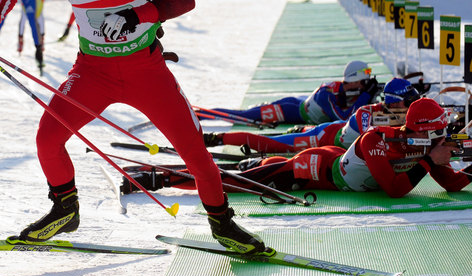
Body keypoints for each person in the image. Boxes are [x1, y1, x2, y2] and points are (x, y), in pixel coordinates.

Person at [0, 0, 272, 256]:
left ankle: (222, 223)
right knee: (47, 140)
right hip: (92, 72)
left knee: (195, 154)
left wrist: (136, 15)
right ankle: (65, 209)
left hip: (146, 71)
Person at [124, 98, 472, 198]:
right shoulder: (376, 140)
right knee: (235, 180)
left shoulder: (429, 146)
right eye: (440, 131)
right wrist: (428, 161)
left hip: (336, 161)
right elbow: (395, 190)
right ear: (422, 131)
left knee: (249, 169)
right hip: (314, 168)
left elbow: (453, 184)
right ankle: (154, 178)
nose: (446, 137)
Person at [202, 77, 419, 154]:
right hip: (321, 134)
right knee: (269, 143)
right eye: (409, 101)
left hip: (326, 127)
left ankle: (299, 129)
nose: (411, 106)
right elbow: (347, 116)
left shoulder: (387, 111)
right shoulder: (365, 111)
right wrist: (365, 95)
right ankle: (217, 136)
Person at [205, 60, 379, 125]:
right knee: (243, 116)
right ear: (355, 81)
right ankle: (202, 114)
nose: (366, 85)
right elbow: (344, 119)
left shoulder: (346, 89)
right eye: (365, 82)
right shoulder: (328, 94)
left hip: (298, 104)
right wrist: (365, 96)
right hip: (289, 111)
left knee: (250, 113)